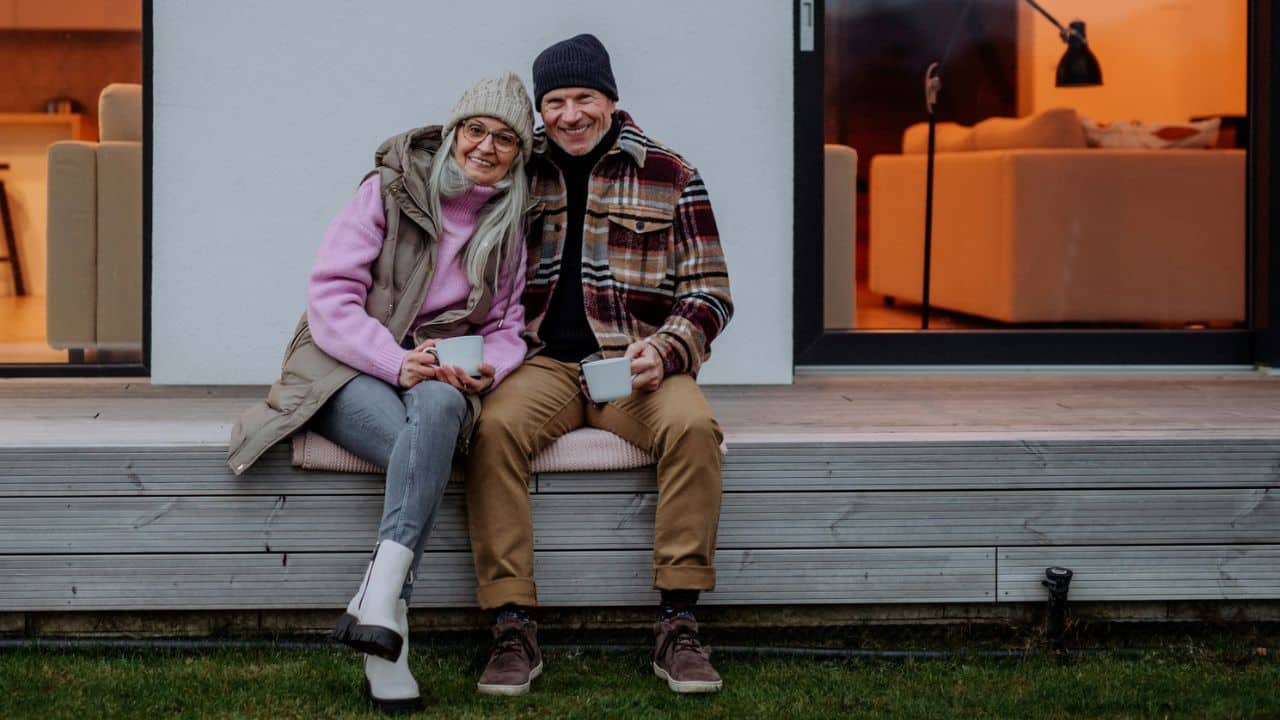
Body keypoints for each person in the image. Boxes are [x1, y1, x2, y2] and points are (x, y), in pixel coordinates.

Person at [225, 73, 535, 714]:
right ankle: (385, 623)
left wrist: (489, 368)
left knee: (441, 411)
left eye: (504, 138)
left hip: (440, 375)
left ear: (519, 154)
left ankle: (378, 607)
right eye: (475, 129)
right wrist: (396, 363)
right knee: (420, 454)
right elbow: (330, 297)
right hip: (347, 365)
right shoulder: (388, 191)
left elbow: (508, 327)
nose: (486, 146)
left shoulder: (508, 224)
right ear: (453, 132)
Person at [466, 34, 734, 697]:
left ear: (611, 100)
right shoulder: (516, 170)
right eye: (554, 102)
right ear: (540, 109)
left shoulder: (671, 173)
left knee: (694, 429)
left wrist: (665, 350)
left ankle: (677, 622)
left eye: (584, 97)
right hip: (542, 364)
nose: (570, 114)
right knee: (491, 431)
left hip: (636, 363)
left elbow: (709, 293)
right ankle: (512, 623)